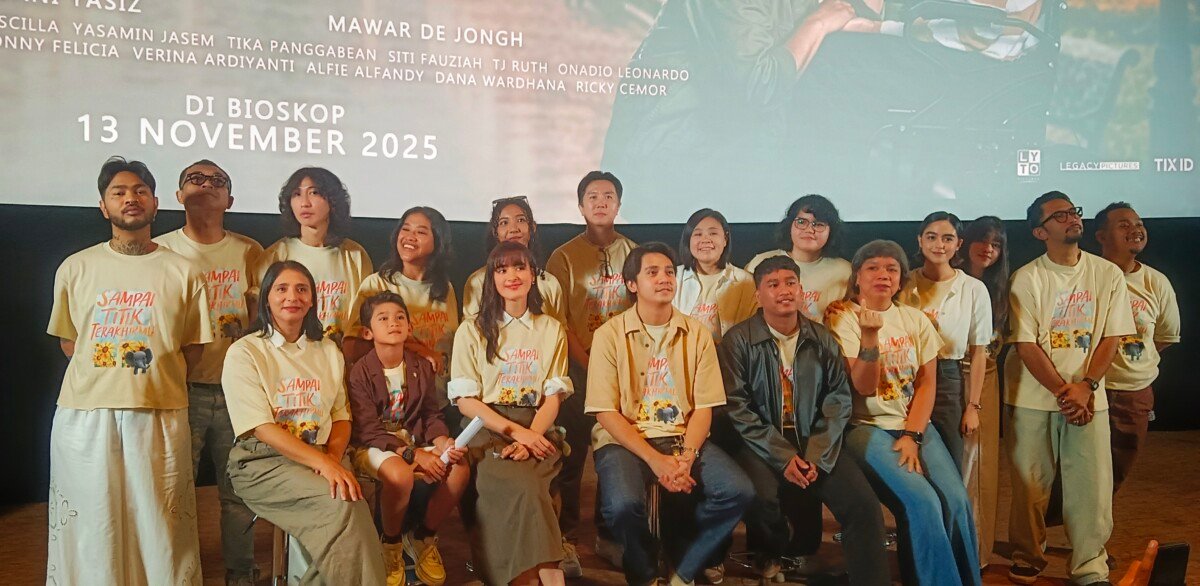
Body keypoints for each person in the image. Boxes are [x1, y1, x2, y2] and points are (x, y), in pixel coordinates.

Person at [46, 157, 212, 585]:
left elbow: (191, 347)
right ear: (104, 206)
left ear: (155, 203)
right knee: (92, 526)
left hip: (160, 412)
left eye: (140, 191)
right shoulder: (75, 268)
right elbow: (70, 342)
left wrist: (151, 378)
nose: (130, 198)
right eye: (118, 192)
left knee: (160, 527)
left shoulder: (184, 271)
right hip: (86, 415)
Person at [586, 242, 754, 586]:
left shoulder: (697, 334)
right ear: (631, 284)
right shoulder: (609, 335)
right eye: (652, 272)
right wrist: (655, 460)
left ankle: (685, 566)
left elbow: (704, 407)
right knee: (622, 506)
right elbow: (605, 412)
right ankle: (645, 571)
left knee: (738, 491)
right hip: (626, 439)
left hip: (681, 436)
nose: (664, 278)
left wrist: (686, 458)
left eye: (668, 272)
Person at [717, 255, 889, 584]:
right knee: (760, 495)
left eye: (791, 283)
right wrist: (783, 456)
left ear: (800, 290)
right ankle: (775, 554)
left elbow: (838, 398)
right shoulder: (738, 341)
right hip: (760, 440)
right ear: (758, 295)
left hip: (814, 436)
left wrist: (817, 453)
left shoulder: (821, 337)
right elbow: (736, 406)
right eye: (773, 284)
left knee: (862, 505)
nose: (784, 290)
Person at [826, 240, 980, 586]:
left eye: (891, 269)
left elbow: (927, 384)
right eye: (873, 268)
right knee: (922, 501)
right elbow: (863, 387)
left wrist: (912, 434)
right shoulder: (841, 317)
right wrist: (869, 337)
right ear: (857, 277)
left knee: (956, 499)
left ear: (900, 279)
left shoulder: (914, 319)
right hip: (866, 427)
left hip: (913, 425)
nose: (883, 274)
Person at [223, 261, 385, 584]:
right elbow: (262, 428)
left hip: (323, 454)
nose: (292, 297)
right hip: (262, 462)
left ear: (312, 300)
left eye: (301, 289)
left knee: (352, 507)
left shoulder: (327, 350)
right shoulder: (245, 352)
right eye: (281, 289)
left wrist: (332, 459)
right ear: (267, 297)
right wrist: (324, 465)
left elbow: (341, 417)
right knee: (342, 507)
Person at [1004, 191, 1135, 586]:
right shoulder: (1027, 277)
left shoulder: (1106, 274)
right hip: (1032, 398)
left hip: (1089, 398)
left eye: (1073, 212)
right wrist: (1066, 390)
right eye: (1059, 216)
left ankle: (1089, 566)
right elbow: (1026, 344)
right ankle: (1028, 556)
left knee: (1092, 487)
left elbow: (1112, 336)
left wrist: (1087, 387)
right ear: (1040, 232)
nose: (1072, 219)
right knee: (1030, 486)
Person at [154, 159, 262, 585]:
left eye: (217, 181)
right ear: (178, 195)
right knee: (174, 491)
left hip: (238, 392)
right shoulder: (160, 251)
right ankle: (177, 573)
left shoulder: (250, 251)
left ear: (230, 200)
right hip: (180, 391)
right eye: (195, 179)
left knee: (239, 493)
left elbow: (260, 321)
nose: (206, 185)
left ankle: (241, 573)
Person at [448, 242, 573, 586]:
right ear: (492, 279)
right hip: (487, 426)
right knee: (517, 486)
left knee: (531, 485)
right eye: (501, 270)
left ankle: (535, 578)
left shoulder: (551, 329)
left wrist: (533, 435)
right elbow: (466, 401)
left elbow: (553, 398)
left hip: (538, 424)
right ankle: (546, 576)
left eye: (519, 267)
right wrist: (517, 434)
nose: (511, 276)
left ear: (533, 275)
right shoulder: (472, 330)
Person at [544, 171, 638, 574]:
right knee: (571, 457)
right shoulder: (562, 257)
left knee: (613, 454)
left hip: (625, 372)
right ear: (581, 206)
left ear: (619, 205)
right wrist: (589, 363)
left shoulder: (634, 252)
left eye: (609, 196)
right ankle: (564, 537)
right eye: (593, 197)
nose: (601, 203)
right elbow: (559, 320)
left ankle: (608, 534)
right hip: (579, 369)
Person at [347, 292, 470, 586]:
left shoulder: (420, 366)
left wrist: (442, 441)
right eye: (383, 318)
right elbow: (368, 429)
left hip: (413, 440)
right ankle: (390, 543)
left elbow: (430, 415)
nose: (393, 323)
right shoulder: (359, 372)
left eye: (400, 317)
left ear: (410, 327)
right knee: (400, 475)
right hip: (375, 444)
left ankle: (424, 536)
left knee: (460, 468)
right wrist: (413, 455)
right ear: (367, 332)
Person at [1094, 202, 1180, 493]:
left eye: (1139, 224)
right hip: (1091, 389)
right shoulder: (1088, 275)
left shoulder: (1156, 282)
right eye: (1123, 225)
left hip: (1134, 393)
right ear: (1101, 236)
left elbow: (1164, 336)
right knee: (1078, 469)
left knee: (1117, 471)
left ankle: (1097, 522)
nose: (1135, 229)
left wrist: (1132, 359)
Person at [899, 212, 992, 473]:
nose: (939, 245)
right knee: (907, 458)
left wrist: (972, 406)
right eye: (931, 237)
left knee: (950, 461)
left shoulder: (973, 289)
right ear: (920, 240)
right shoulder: (903, 283)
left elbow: (979, 352)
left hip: (948, 377)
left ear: (958, 244)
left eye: (947, 238)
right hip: (905, 376)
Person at [349, 207, 459, 405]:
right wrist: (419, 351)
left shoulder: (445, 288)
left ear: (438, 241)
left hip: (439, 401)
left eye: (421, 232)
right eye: (405, 229)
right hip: (397, 404)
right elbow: (353, 345)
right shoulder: (376, 284)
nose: (410, 237)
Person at [256, 167, 373, 346]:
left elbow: (366, 314)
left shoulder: (355, 255)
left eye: (314, 193)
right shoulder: (275, 256)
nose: (304, 203)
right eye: (296, 194)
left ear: (333, 201)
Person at [953, 215, 1010, 566]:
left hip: (985, 379)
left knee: (979, 469)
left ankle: (976, 554)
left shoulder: (1001, 289)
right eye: (982, 240)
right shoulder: (946, 281)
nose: (988, 249)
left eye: (996, 244)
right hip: (944, 378)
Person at [746, 195, 852, 323]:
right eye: (801, 222)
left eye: (818, 224)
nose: (809, 230)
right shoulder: (760, 263)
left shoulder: (845, 271)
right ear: (789, 225)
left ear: (831, 231)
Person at [462, 195, 565, 321]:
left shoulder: (549, 283)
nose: (513, 229)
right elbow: (470, 330)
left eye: (521, 220)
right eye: (504, 223)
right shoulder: (477, 282)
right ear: (495, 232)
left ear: (532, 227)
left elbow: (560, 328)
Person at [673, 208, 757, 342]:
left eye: (713, 233)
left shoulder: (745, 281)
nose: (705, 240)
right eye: (698, 234)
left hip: (730, 354)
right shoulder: (673, 277)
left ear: (725, 239)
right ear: (688, 240)